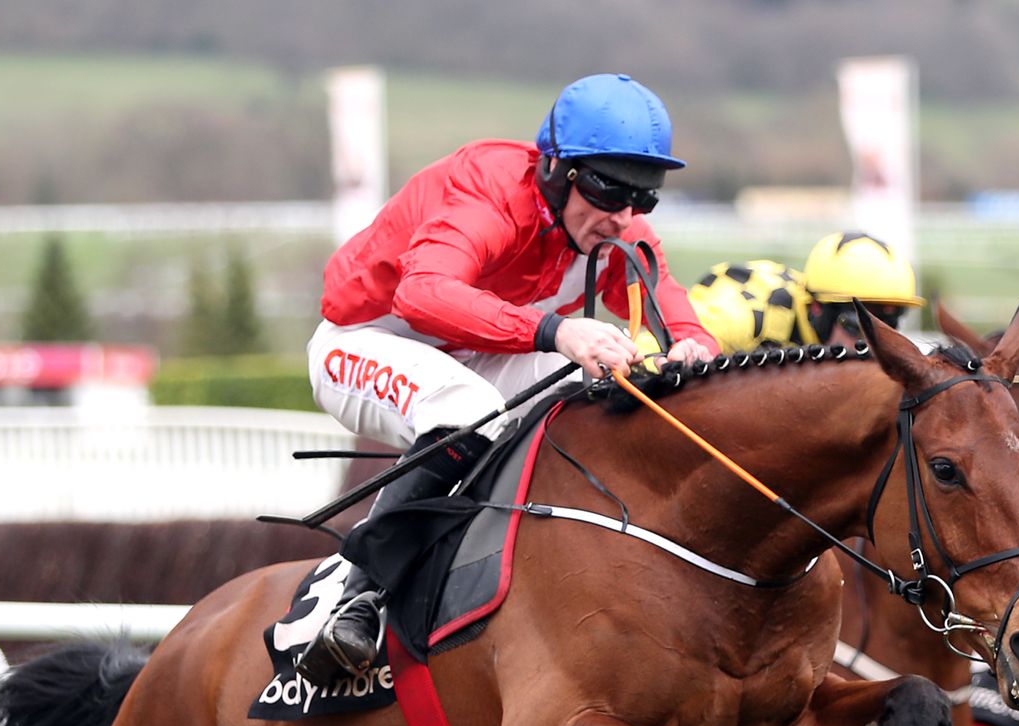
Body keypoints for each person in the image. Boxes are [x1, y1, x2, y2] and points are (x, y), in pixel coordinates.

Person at [296, 73, 718, 685]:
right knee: (469, 404)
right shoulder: (489, 192)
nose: (623, 216)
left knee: (603, 378)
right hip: (364, 340)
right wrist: (555, 330)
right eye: (609, 191)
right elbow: (422, 293)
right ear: (557, 170)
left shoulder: (618, 229)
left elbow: (678, 316)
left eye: (642, 199)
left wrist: (695, 350)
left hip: (473, 350)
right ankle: (358, 596)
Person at [686, 230, 923, 353]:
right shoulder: (740, 319)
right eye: (857, 327)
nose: (872, 347)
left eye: (888, 328)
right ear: (818, 309)